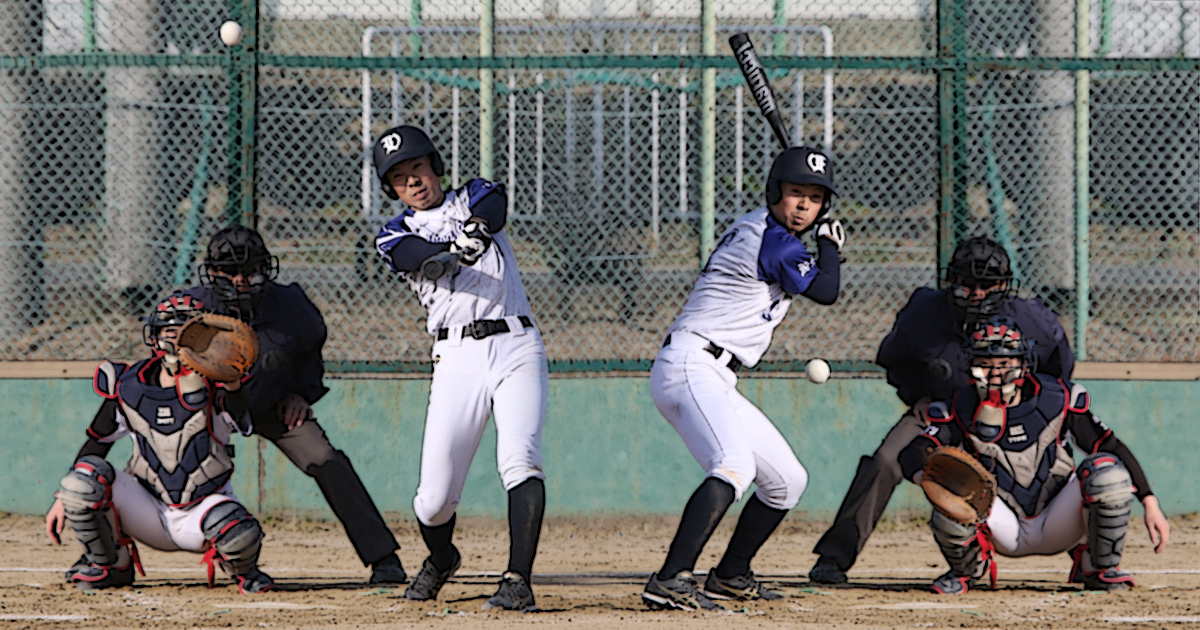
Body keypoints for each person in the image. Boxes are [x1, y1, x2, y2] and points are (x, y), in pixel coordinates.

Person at [641, 146, 845, 611]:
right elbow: (827, 291)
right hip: (691, 365)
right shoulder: (775, 242)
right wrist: (831, 247)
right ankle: (670, 578)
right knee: (734, 466)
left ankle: (731, 573)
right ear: (775, 192)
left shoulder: (770, 232)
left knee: (787, 481)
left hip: (714, 372)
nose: (803, 205)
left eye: (814, 198)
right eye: (795, 193)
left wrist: (820, 245)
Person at [808, 236, 1075, 584]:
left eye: (986, 284)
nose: (976, 292)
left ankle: (1090, 555)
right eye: (967, 283)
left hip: (1010, 414)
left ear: (1004, 285)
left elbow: (1060, 370)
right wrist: (916, 396)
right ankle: (834, 557)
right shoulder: (924, 312)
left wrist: (1030, 407)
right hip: (943, 411)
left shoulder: (1031, 319)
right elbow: (895, 361)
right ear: (951, 282)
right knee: (886, 460)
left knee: (1055, 466)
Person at [372, 125, 548, 612]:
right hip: (456, 360)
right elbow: (418, 258)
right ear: (392, 189)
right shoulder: (394, 233)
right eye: (401, 177)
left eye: (419, 168)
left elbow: (495, 203)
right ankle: (443, 557)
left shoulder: (471, 195)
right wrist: (453, 252)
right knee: (432, 502)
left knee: (520, 460)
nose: (414, 181)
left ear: (435, 166)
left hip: (516, 345)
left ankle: (518, 580)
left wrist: (477, 229)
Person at [184, 226, 407, 584]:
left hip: (272, 404)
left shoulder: (291, 305)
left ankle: (383, 557)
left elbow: (309, 352)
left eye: (250, 270)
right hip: (209, 411)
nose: (241, 280)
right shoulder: (191, 308)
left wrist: (301, 393)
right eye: (230, 272)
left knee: (327, 460)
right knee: (162, 452)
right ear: (211, 272)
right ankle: (103, 553)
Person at [898, 316, 1170, 593]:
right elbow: (913, 452)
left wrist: (1149, 501)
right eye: (985, 364)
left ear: (1022, 364)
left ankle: (1097, 566)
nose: (995, 374)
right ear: (971, 366)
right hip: (1000, 523)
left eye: (1004, 364)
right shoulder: (957, 407)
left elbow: (1111, 446)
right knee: (948, 484)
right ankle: (966, 570)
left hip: (1059, 519)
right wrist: (927, 478)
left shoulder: (1059, 398)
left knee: (1107, 472)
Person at [44, 293, 274, 593]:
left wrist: (232, 381)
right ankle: (111, 565)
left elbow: (240, 411)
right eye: (169, 332)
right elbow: (97, 443)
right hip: (146, 508)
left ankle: (243, 572)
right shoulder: (127, 383)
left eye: (187, 333)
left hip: (201, 512)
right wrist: (62, 499)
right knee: (81, 482)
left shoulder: (220, 385)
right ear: (154, 336)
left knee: (236, 529)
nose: (177, 341)